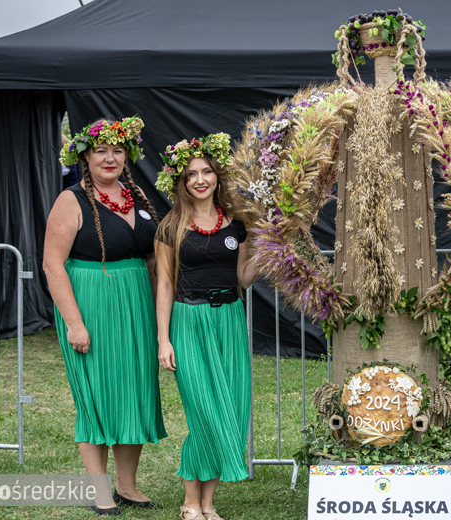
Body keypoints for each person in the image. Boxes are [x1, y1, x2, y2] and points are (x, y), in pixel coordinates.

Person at [44, 116, 166, 516]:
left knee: (134, 392)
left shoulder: (136, 197)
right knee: (95, 397)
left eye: (117, 150)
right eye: (101, 151)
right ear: (86, 156)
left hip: (137, 306)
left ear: (127, 156)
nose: (110, 158)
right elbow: (52, 264)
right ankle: (99, 490)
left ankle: (127, 486)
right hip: (92, 305)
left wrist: (161, 317)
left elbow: (153, 261)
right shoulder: (71, 200)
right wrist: (74, 323)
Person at [154, 134, 259, 520]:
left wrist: (271, 246)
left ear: (218, 176)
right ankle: (189, 502)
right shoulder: (170, 227)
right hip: (189, 321)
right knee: (204, 414)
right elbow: (165, 285)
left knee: (231, 409)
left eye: (207, 172)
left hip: (229, 319)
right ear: (181, 182)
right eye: (191, 174)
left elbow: (243, 278)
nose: (200, 180)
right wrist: (163, 339)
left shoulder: (237, 224)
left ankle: (208, 503)